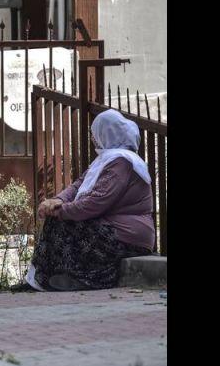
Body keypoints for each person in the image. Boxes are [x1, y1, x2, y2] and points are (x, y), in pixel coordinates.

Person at [26, 110, 154, 292]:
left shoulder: (122, 162)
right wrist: (56, 200)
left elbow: (96, 201)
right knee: (59, 221)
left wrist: (60, 210)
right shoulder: (105, 160)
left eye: (96, 133)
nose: (94, 138)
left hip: (127, 236)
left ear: (106, 133)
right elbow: (77, 186)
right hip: (110, 228)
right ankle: (51, 278)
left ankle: (74, 279)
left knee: (62, 222)